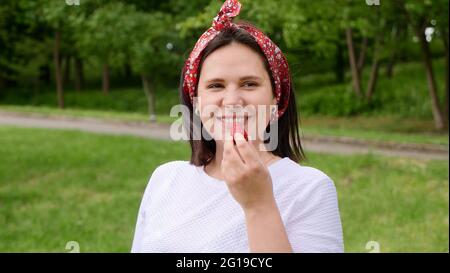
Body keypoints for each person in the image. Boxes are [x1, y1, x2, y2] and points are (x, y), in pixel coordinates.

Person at [131, 0, 343, 253]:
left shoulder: (310, 189)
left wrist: (259, 205)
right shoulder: (165, 180)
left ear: (277, 98)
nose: (232, 101)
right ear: (196, 102)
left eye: (249, 84)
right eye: (215, 85)